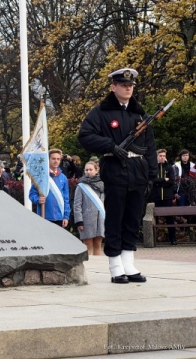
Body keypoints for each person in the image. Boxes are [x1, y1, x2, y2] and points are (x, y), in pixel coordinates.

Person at [78, 68, 156, 284]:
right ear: (113, 87)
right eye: (123, 85)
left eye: (130, 85)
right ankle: (115, 265)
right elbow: (85, 136)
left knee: (132, 218)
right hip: (115, 168)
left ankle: (129, 263)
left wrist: (150, 174)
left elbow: (149, 146)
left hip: (137, 171)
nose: (128, 88)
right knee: (115, 218)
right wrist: (111, 146)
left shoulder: (139, 114)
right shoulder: (101, 112)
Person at [29, 149, 70, 227]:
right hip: (44, 216)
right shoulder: (41, 176)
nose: (56, 161)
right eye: (53, 158)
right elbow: (32, 194)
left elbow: (66, 199)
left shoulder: (63, 178)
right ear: (48, 159)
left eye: (58, 159)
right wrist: (38, 199)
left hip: (59, 217)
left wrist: (66, 216)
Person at [74, 161, 105, 255]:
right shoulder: (81, 186)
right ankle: (87, 266)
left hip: (100, 219)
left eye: (91, 169)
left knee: (98, 245)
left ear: (96, 170)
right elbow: (77, 205)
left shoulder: (102, 185)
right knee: (87, 245)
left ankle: (97, 266)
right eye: (86, 170)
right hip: (86, 219)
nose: (88, 172)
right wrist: (79, 221)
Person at [151, 149, 177, 244]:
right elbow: (152, 181)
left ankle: (173, 239)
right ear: (157, 156)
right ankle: (153, 240)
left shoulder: (169, 168)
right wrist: (163, 180)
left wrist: (159, 183)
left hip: (167, 197)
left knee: (170, 219)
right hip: (156, 197)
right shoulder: (153, 168)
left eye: (163, 156)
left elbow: (171, 181)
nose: (162, 157)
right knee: (153, 219)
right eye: (160, 155)